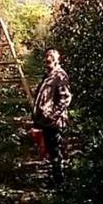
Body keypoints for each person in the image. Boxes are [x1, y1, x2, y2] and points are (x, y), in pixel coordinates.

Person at [32, 49, 72, 185]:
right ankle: (55, 178)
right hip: (46, 121)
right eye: (46, 60)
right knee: (50, 150)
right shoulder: (48, 76)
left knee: (55, 150)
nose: (47, 63)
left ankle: (59, 181)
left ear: (56, 61)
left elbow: (65, 98)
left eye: (50, 61)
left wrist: (53, 116)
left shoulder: (60, 76)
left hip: (55, 122)